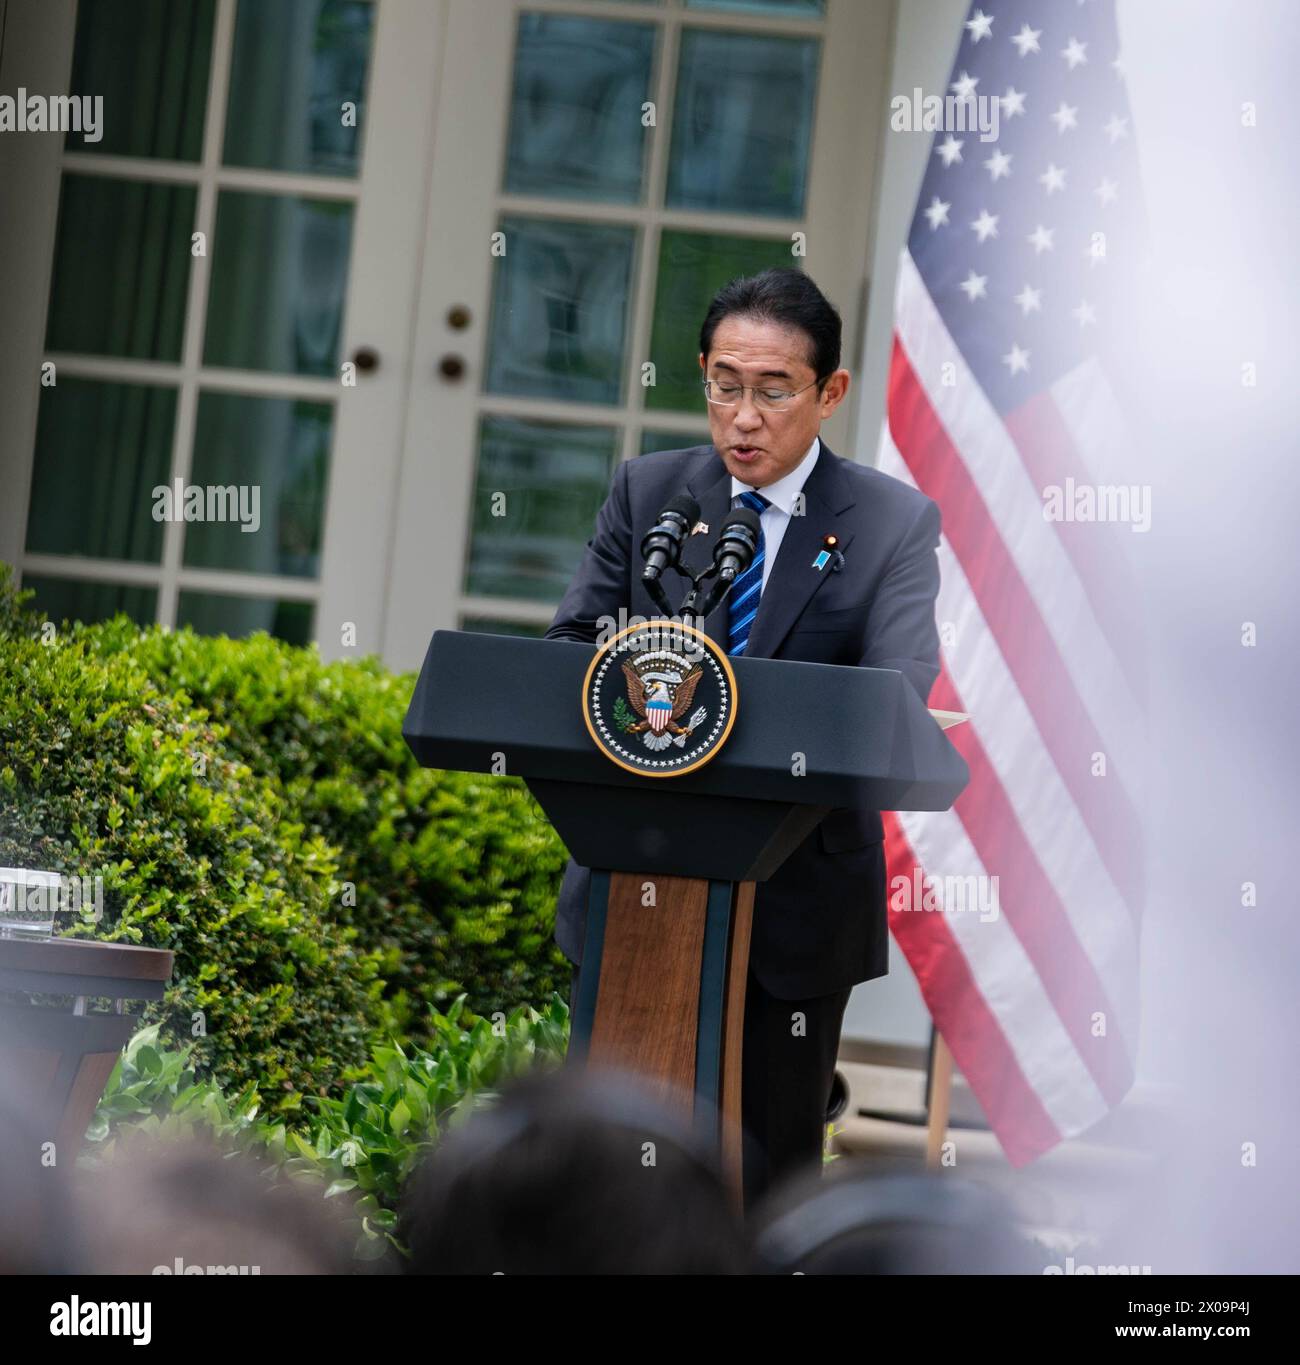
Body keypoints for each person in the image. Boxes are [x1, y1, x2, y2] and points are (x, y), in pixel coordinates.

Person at [547, 266, 942, 1210]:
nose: (744, 417)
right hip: (636, 892)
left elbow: (897, 695)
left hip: (796, 904)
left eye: (773, 391)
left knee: (766, 1188)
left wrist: (735, 711)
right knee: (606, 1183)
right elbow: (568, 652)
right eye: (725, 385)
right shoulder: (650, 493)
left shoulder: (889, 523)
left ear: (829, 393)